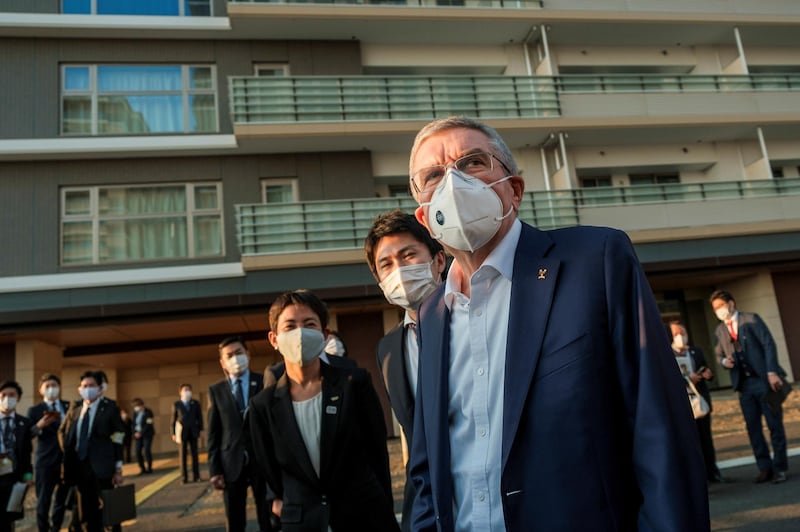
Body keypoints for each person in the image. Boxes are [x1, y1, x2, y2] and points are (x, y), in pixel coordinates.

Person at [405, 116, 709, 531]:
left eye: (473, 162)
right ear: (424, 216)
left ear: (513, 190)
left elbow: (660, 429)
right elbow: (427, 465)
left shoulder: (595, 260)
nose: (453, 184)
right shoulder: (431, 314)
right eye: (433, 175)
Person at [248, 289, 399, 532]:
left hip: (363, 516)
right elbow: (268, 471)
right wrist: (280, 505)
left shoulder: (354, 384)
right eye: (289, 326)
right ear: (274, 339)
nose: (300, 333)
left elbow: (376, 454)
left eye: (309, 324)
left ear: (324, 334)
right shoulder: (262, 405)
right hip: (302, 522)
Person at [364, 208, 446, 532]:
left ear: (438, 261)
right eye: (386, 264)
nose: (399, 270)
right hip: (426, 509)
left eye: (409, 254)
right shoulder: (387, 349)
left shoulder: (478, 319)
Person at [710, 289, 789, 484]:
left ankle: (780, 468)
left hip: (763, 380)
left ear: (731, 303)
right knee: (753, 428)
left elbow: (768, 344)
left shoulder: (751, 318)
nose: (719, 311)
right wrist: (723, 363)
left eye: (721, 306)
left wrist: (771, 372)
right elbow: (718, 354)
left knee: (774, 425)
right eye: (715, 309)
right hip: (744, 386)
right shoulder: (720, 330)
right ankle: (764, 468)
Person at [208, 335, 274, 532]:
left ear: (248, 354)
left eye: (239, 353)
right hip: (231, 461)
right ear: (223, 363)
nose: (235, 358)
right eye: (229, 355)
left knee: (267, 514)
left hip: (262, 460)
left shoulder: (264, 381)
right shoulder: (216, 390)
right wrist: (214, 470)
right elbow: (214, 432)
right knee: (235, 518)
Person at [58, 371, 125, 532]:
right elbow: (63, 433)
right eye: (85, 386)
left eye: (92, 386)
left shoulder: (110, 408)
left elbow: (118, 437)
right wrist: (68, 452)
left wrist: (118, 468)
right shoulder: (75, 409)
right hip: (80, 467)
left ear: (100, 388)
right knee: (85, 512)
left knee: (110, 511)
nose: (88, 389)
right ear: (79, 389)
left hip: (103, 467)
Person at [669, 321, 724, 483]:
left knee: (706, 438)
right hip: (682, 403)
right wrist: (686, 379)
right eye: (677, 333)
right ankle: (695, 476)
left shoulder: (695, 351)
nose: (681, 336)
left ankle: (712, 472)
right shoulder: (666, 354)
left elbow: (706, 369)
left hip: (700, 400)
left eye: (683, 333)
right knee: (689, 441)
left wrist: (707, 374)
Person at [27, 373, 71, 532]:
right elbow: (28, 435)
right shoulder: (35, 410)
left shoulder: (68, 406)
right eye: (48, 386)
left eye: (54, 386)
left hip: (66, 461)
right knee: (43, 501)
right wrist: (39, 425)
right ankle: (43, 529)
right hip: (45, 462)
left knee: (62, 499)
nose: (51, 389)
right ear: (41, 390)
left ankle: (56, 527)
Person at [0, 380, 35, 532]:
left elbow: (27, 454)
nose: (7, 398)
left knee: (9, 518)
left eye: (12, 395)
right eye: (3, 395)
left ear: (18, 398)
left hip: (13, 477)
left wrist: (27, 476)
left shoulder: (24, 423)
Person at [172, 383, 204, 483]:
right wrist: (173, 433)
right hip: (182, 432)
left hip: (193, 431)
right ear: (180, 392)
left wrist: (201, 430)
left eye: (189, 390)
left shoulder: (195, 403)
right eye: (185, 390)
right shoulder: (177, 404)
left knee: (195, 455)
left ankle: (196, 476)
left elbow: (200, 418)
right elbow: (173, 420)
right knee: (183, 455)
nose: (187, 392)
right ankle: (184, 477)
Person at [131, 398, 155, 475]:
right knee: (137, 451)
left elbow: (149, 423)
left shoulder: (149, 412)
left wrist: (141, 432)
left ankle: (149, 467)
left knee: (147, 450)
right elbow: (133, 424)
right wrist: (135, 432)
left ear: (142, 405)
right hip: (138, 435)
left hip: (147, 434)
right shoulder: (135, 413)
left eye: (137, 406)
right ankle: (142, 468)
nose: (136, 408)